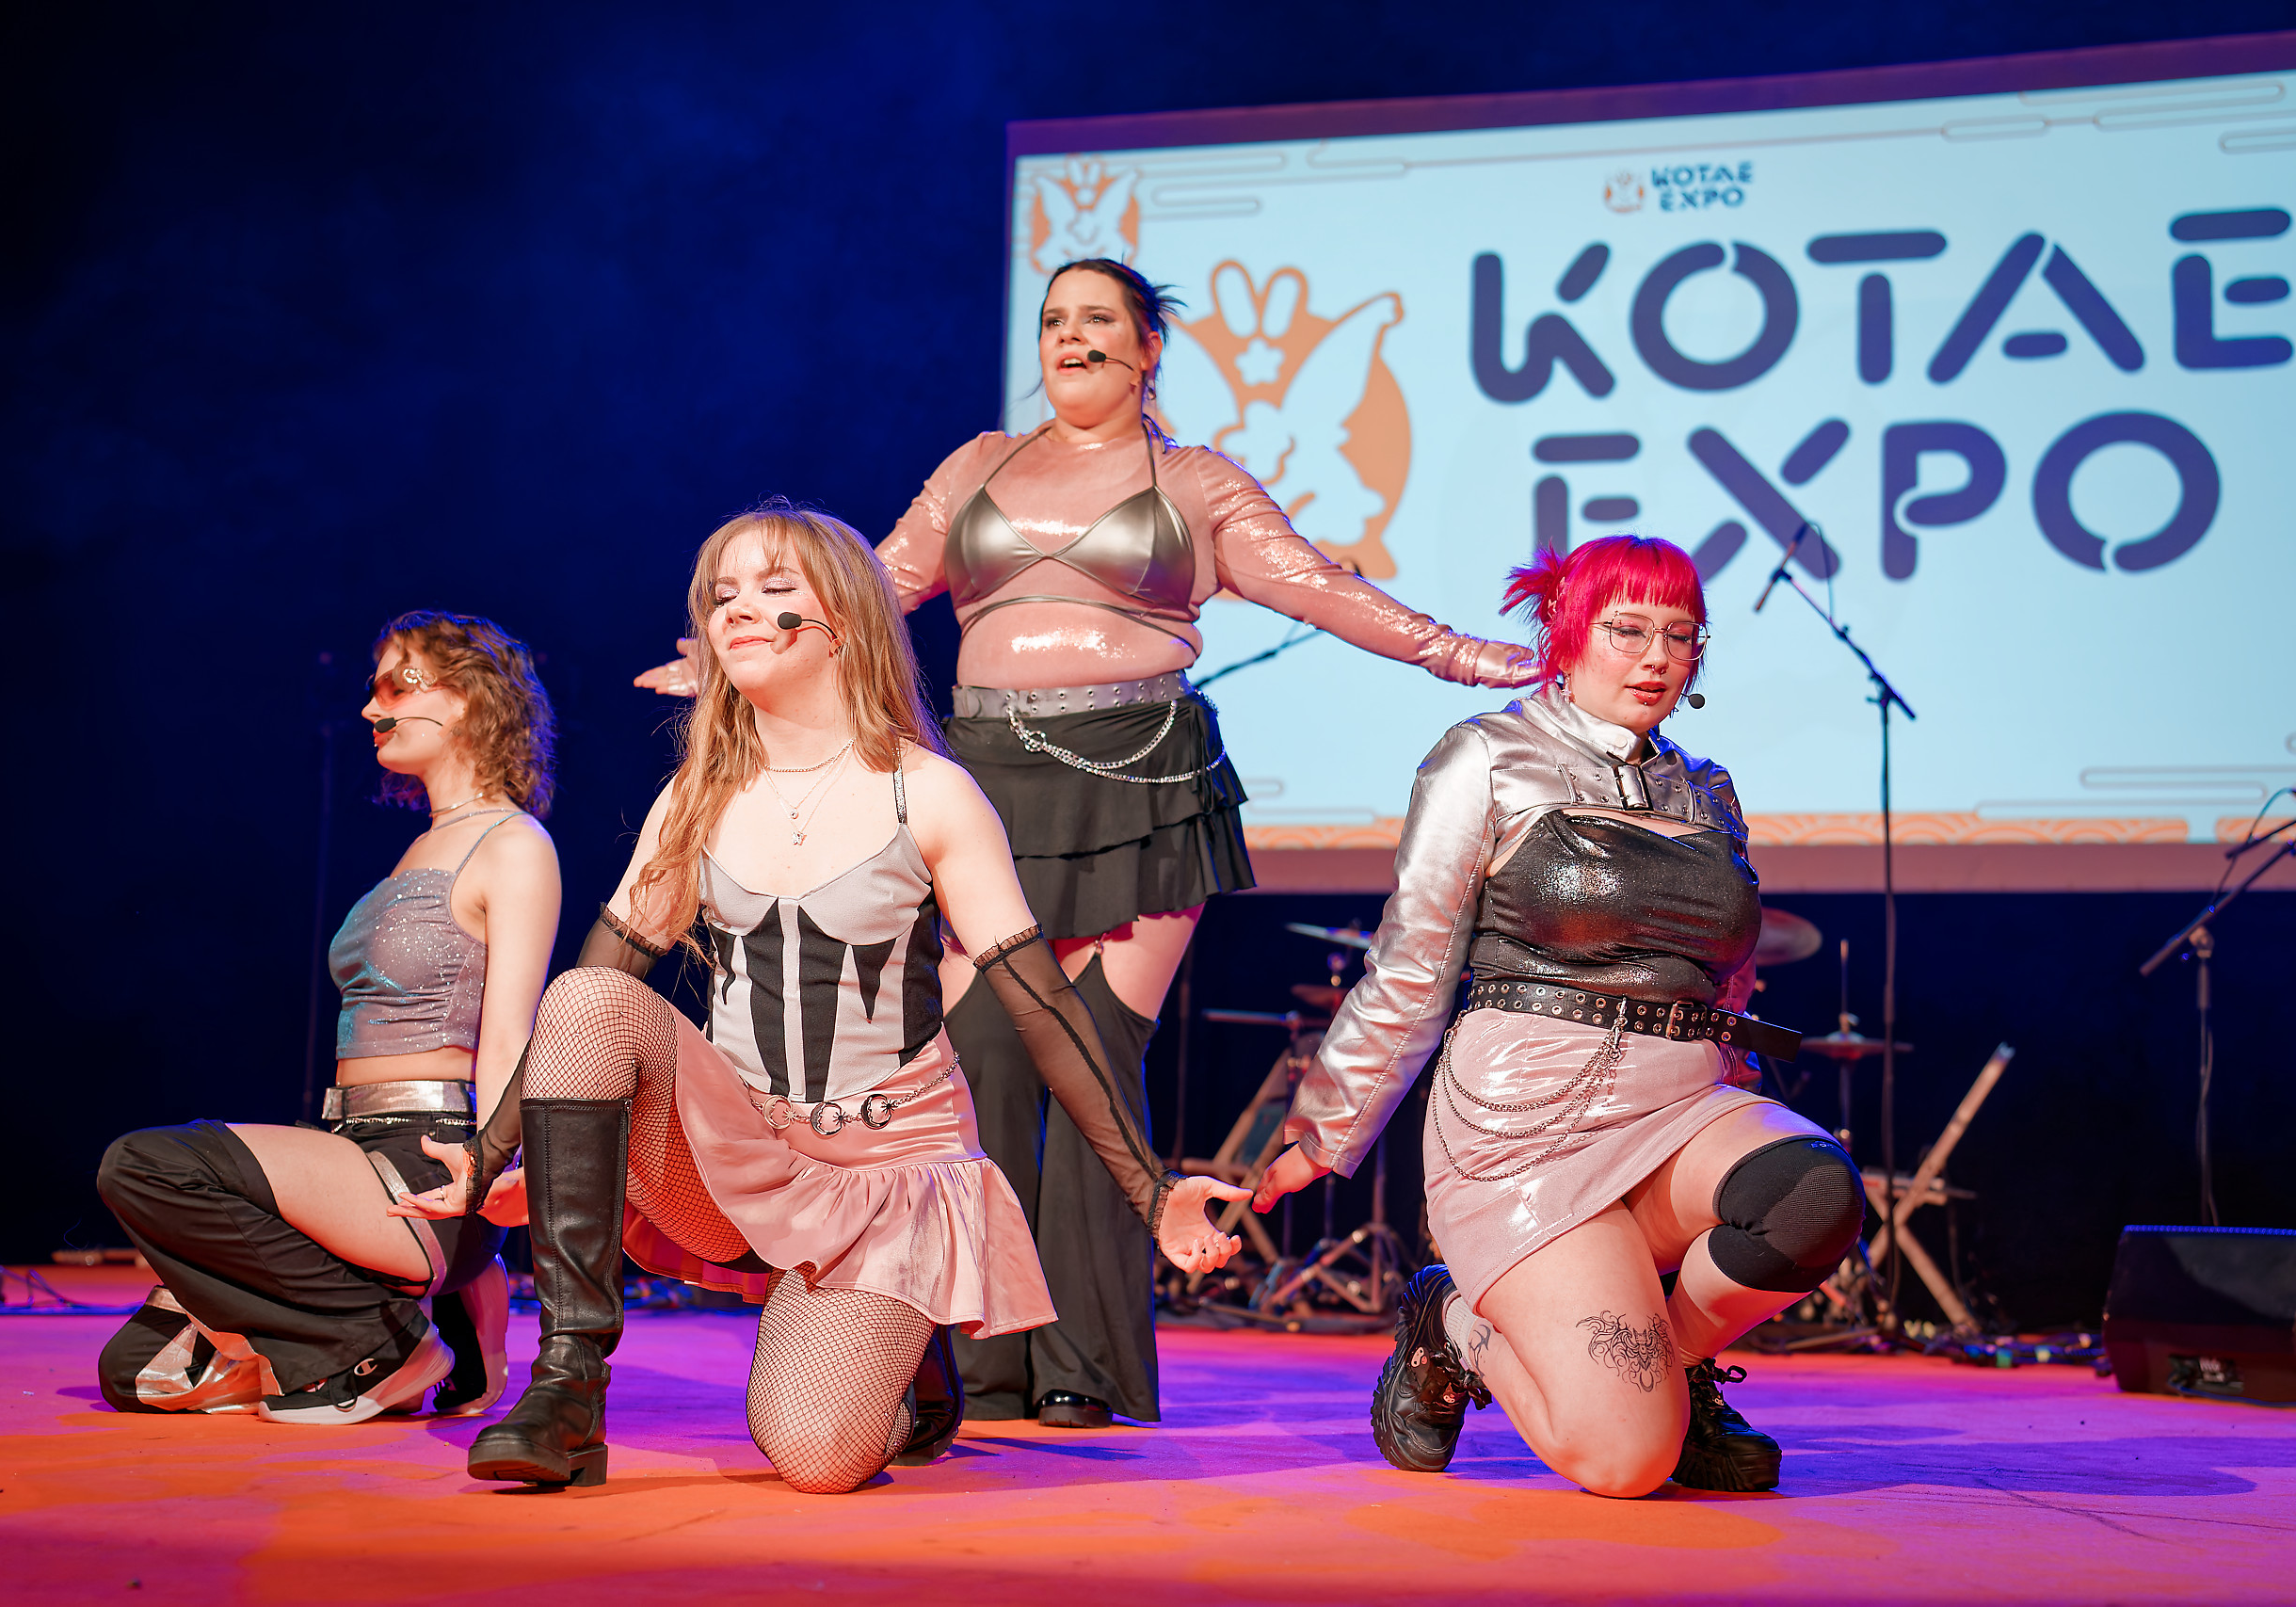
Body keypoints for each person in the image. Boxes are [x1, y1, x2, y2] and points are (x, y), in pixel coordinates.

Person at [639, 257, 1533, 1428]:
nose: (1070, 335)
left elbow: (1318, 588)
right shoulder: (978, 465)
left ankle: (1082, 1367)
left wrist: (1461, 656)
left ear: (1147, 346)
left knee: (1097, 1054)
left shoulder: (1195, 481)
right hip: (989, 775)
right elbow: (871, 585)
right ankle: (967, 1361)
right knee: (981, 1055)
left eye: (1097, 318)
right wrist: (733, 648)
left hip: (1140, 777)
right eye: (1055, 318)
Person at [399, 502, 1246, 1495]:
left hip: (879, 1172)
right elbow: (590, 1004)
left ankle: (910, 1349)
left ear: (842, 619)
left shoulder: (927, 792)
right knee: (589, 996)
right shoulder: (695, 797)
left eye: (772, 588)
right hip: (736, 1155)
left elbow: (1042, 1006)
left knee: (816, 1456)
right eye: (721, 594)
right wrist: (488, 1157)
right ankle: (568, 1387)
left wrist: (1152, 1189)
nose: (735, 610)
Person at [1253, 535, 1865, 1497]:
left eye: (1680, 636)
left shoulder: (1706, 787)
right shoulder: (1488, 757)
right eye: (1627, 631)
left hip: (1681, 1104)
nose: (1656, 657)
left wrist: (1736, 1078)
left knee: (1813, 1194)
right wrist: (1322, 1135)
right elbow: (1412, 962)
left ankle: (1673, 1369)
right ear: (1567, 634)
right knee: (1627, 1462)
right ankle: (1454, 1324)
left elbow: (1729, 972)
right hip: (1526, 1119)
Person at [96, 611, 560, 1423]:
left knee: (143, 1166)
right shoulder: (422, 846)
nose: (370, 707)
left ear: (464, 698)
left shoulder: (513, 843)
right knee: (135, 1369)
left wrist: (492, 1166)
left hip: (424, 1161)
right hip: (349, 1144)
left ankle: (385, 1344)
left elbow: (511, 1034)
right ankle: (424, 1324)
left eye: (394, 684)